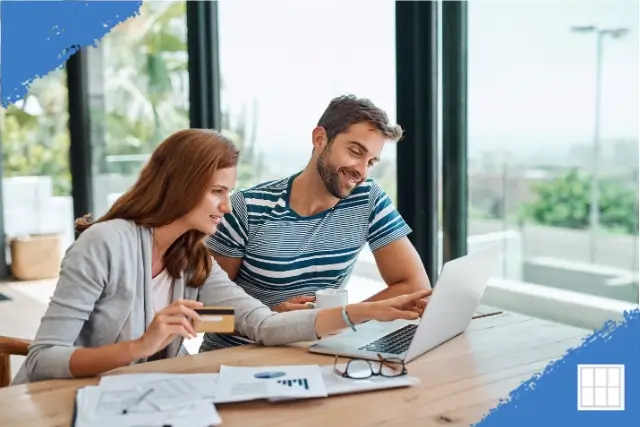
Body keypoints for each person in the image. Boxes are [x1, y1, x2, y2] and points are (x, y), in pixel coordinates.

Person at [11, 128, 430, 385]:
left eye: (228, 192)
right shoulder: (104, 244)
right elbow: (44, 359)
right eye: (217, 192)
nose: (226, 206)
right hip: (61, 401)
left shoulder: (192, 258)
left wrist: (366, 313)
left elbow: (259, 324)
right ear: (181, 186)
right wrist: (142, 344)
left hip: (139, 396)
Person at [201, 95, 431, 352]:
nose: (362, 171)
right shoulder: (246, 209)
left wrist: (344, 318)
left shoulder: (368, 200)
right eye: (355, 152)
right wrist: (268, 319)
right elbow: (204, 316)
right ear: (320, 139)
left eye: (371, 162)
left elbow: (415, 286)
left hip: (313, 353)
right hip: (238, 357)